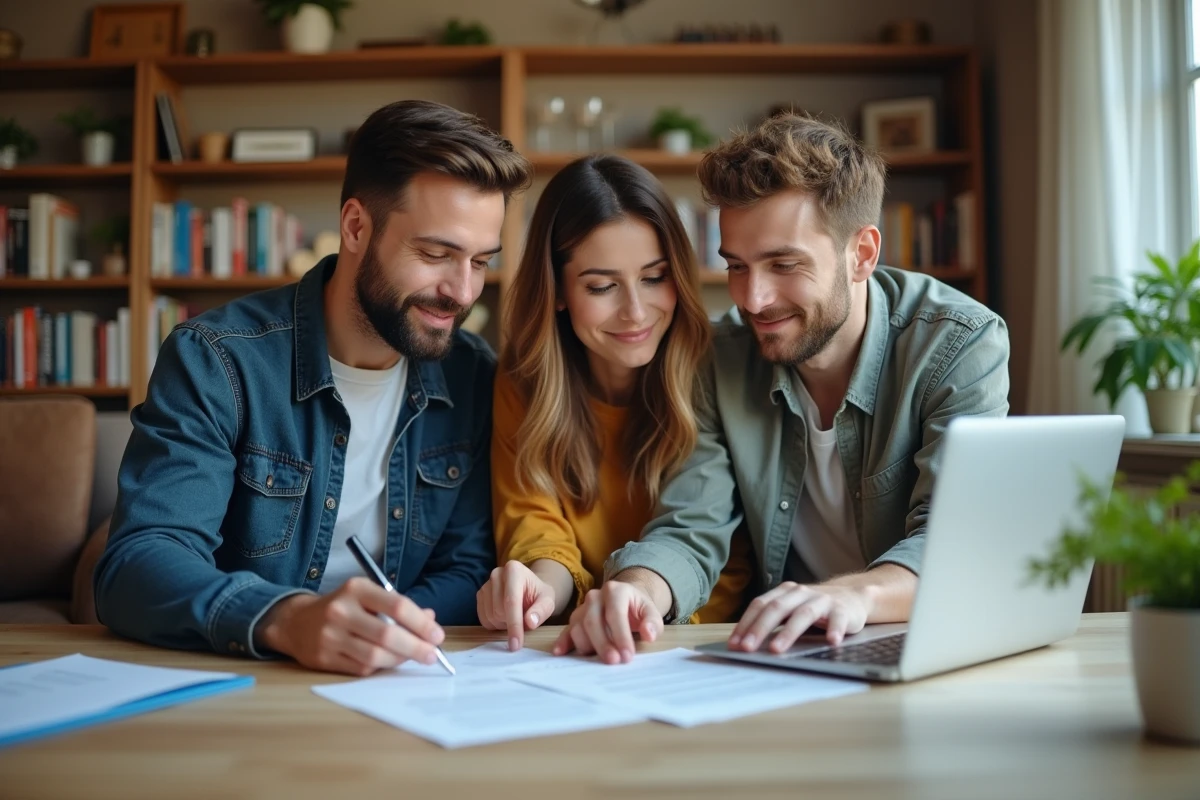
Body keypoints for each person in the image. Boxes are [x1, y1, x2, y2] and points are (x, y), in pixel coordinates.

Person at [95, 100, 532, 676]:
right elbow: (137, 562)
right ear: (356, 226)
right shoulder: (217, 358)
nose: (463, 291)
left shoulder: (473, 374)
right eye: (435, 254)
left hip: (396, 680)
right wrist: (287, 619)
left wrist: (379, 633)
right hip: (243, 676)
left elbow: (466, 565)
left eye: (480, 262)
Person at [553, 113, 1010, 661]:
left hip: (926, 647)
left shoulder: (958, 345)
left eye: (784, 265)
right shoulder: (718, 356)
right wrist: (639, 591)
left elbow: (956, 538)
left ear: (862, 254)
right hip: (782, 658)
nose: (753, 299)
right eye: (737, 267)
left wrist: (851, 596)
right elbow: (692, 526)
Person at [478, 155, 754, 659]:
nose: (635, 311)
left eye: (654, 277)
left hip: (712, 642)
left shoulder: (714, 365)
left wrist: (635, 600)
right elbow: (536, 527)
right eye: (602, 286)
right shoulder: (524, 381)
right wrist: (538, 591)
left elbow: (700, 533)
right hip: (587, 646)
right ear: (558, 290)